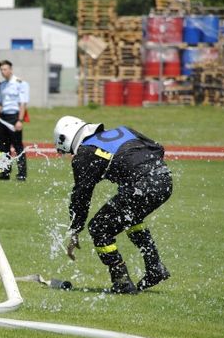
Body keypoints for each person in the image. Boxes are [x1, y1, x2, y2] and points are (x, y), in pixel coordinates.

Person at [54, 116, 172, 294]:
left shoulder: (85, 153)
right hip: (164, 179)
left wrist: (75, 229)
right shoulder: (123, 130)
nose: (71, 155)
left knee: (98, 228)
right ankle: (154, 267)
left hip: (142, 185)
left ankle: (122, 281)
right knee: (131, 217)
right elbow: (158, 148)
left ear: (67, 139)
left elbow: (81, 196)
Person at [0, 60, 29, 181]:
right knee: (3, 147)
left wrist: (20, 120)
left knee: (18, 146)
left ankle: (22, 173)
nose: (3, 72)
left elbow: (23, 104)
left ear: (11, 69)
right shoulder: (2, 85)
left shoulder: (20, 83)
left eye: (5, 69)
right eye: (1, 70)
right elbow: (1, 103)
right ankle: (5, 173)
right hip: (3, 117)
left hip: (14, 117)